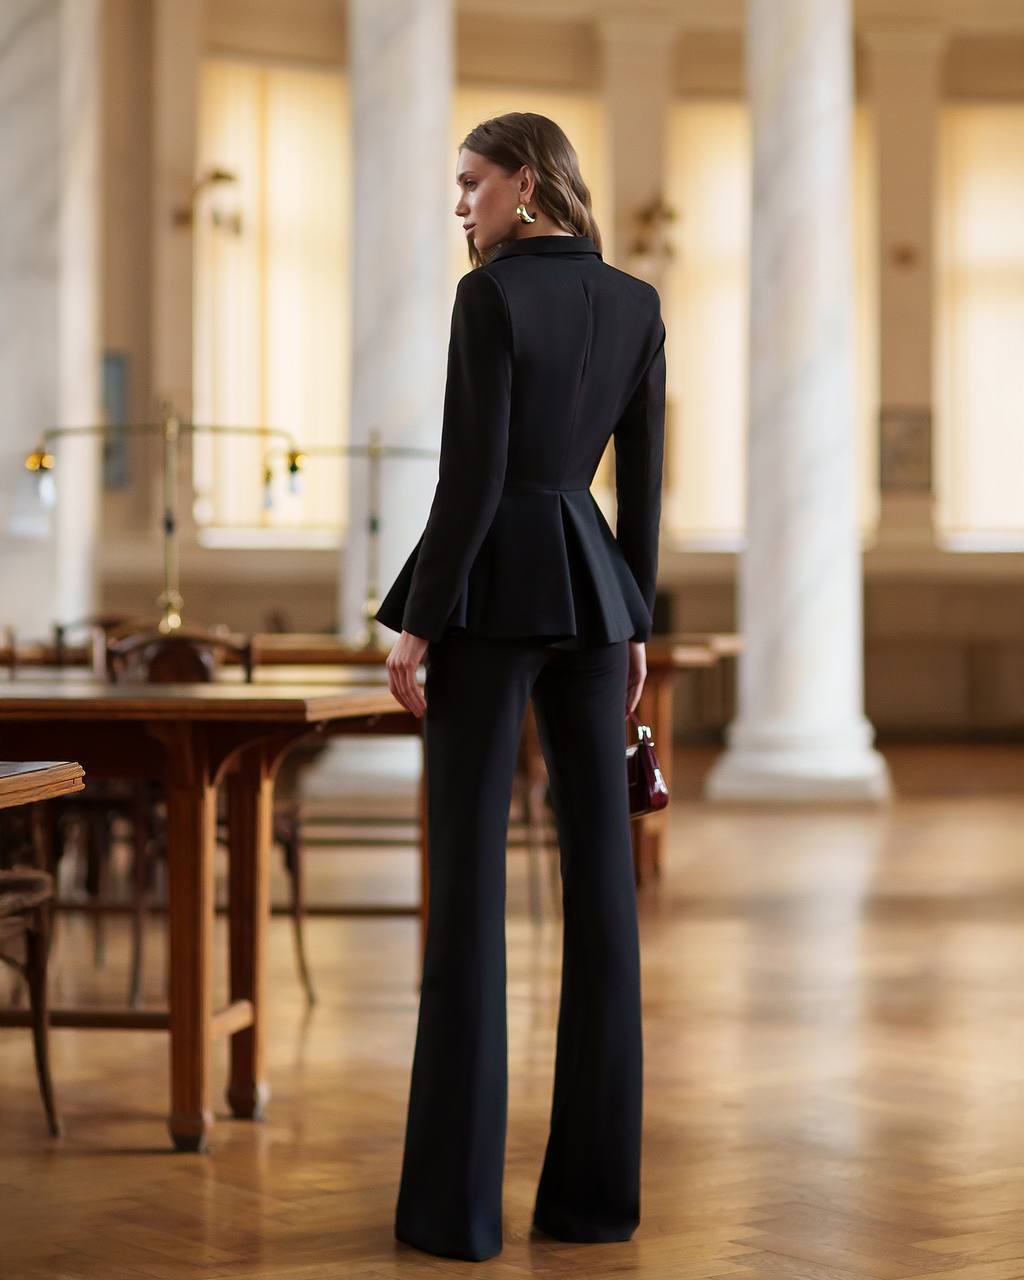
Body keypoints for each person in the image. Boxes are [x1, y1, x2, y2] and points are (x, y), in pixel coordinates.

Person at [374, 111, 666, 1262]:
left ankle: (456, 1212)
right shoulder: (636, 303)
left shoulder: (488, 296)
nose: (460, 204)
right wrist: (633, 615)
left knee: (466, 890)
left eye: (472, 182)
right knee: (603, 893)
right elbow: (644, 480)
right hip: (594, 594)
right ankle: (594, 1203)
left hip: (493, 597)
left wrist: (418, 621)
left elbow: (475, 475)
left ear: (528, 183)